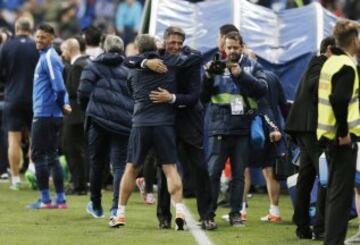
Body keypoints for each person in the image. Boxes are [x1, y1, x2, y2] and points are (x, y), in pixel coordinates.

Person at [109, 34, 201, 230]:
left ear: (138, 49)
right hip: (164, 124)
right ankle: (180, 213)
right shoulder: (170, 64)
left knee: (131, 169)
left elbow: (131, 92)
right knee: (170, 170)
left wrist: (143, 64)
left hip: (141, 123)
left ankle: (120, 214)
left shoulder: (133, 70)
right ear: (157, 46)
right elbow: (195, 59)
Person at [141, 26, 217, 230]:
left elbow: (194, 97)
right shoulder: (154, 58)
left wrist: (171, 98)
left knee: (200, 168)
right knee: (164, 168)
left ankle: (207, 215)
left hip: (189, 119)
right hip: (165, 121)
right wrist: (144, 61)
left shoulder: (191, 58)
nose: (175, 46)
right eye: (172, 42)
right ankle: (163, 217)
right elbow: (129, 61)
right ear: (164, 41)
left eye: (179, 43)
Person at [201, 31, 268, 227]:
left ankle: (236, 213)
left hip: (242, 129)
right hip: (218, 128)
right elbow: (202, 97)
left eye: (235, 48)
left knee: (239, 176)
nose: (231, 51)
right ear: (223, 47)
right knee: (213, 174)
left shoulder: (253, 65)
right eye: (228, 47)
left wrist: (242, 76)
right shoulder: (215, 66)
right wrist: (207, 76)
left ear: (242, 47)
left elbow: (262, 89)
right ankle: (208, 214)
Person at [285, 36, 335, 240]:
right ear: (329, 50)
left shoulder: (315, 65)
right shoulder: (319, 63)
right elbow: (315, 86)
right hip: (311, 129)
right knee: (326, 177)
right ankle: (320, 228)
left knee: (306, 179)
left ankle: (302, 227)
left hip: (306, 130)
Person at [78, 35, 133, 219]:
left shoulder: (93, 65)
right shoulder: (129, 68)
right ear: (122, 49)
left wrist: (90, 110)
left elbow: (83, 92)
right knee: (119, 166)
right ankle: (116, 209)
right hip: (123, 123)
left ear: (104, 47)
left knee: (96, 164)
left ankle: (96, 204)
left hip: (98, 122)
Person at [317, 20, 360, 245]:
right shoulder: (345, 65)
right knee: (341, 197)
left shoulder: (330, 63)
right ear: (354, 40)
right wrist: (344, 132)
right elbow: (340, 99)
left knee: (335, 193)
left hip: (328, 136)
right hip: (341, 139)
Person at [27, 23, 71, 209]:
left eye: (43, 37)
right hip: (49, 113)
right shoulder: (47, 57)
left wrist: (62, 104)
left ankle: (45, 199)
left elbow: (59, 87)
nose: (39, 40)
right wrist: (63, 104)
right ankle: (60, 199)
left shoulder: (49, 57)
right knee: (52, 156)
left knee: (38, 155)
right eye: (37, 37)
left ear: (52, 38)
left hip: (45, 114)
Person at [0, 17, 39, 190]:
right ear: (31, 29)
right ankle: (32, 170)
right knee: (34, 138)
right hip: (35, 98)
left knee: (13, 139)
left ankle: (15, 179)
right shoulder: (37, 45)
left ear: (16, 28)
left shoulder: (7, 46)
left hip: (13, 97)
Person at [60, 38, 88, 195]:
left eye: (63, 50)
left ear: (70, 50)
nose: (62, 54)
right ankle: (80, 184)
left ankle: (79, 186)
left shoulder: (77, 67)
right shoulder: (87, 63)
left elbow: (76, 92)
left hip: (75, 115)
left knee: (71, 148)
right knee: (78, 149)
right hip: (81, 115)